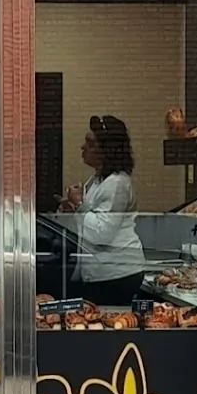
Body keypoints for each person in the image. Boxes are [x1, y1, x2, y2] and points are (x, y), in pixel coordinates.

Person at [55, 115, 146, 306]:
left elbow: (101, 233)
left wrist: (79, 205)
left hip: (116, 272)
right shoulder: (97, 180)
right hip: (100, 270)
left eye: (90, 144)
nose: (83, 147)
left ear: (106, 150)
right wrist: (71, 208)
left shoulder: (117, 183)